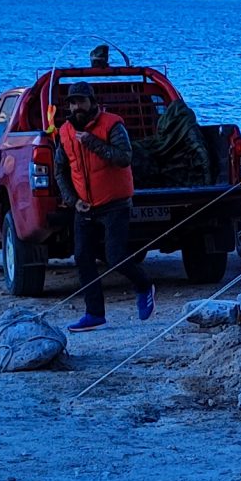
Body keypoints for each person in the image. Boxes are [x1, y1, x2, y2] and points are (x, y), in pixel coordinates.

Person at [53, 82, 153, 330]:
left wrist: (92, 143)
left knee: (115, 257)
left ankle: (144, 285)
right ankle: (94, 313)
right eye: (73, 103)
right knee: (83, 257)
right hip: (84, 206)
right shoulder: (64, 132)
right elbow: (60, 170)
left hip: (115, 203)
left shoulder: (112, 124)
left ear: (92, 102)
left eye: (81, 101)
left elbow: (124, 157)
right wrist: (72, 200)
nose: (77, 107)